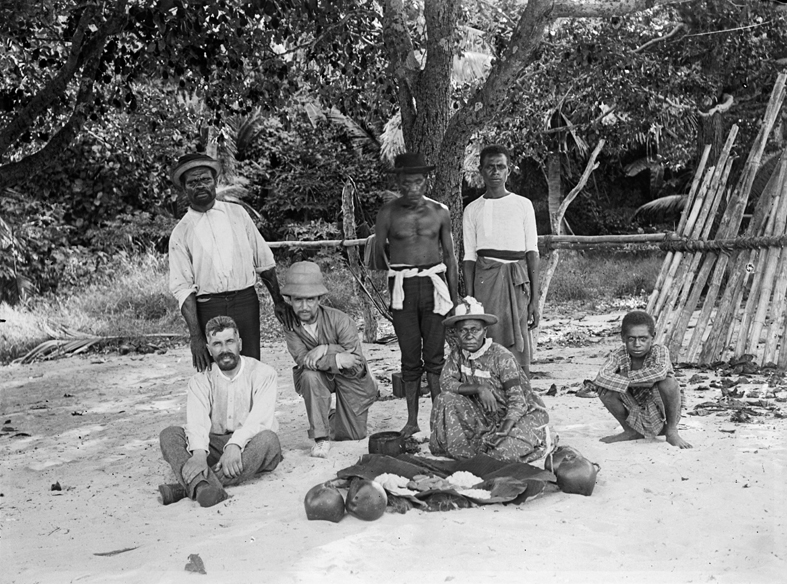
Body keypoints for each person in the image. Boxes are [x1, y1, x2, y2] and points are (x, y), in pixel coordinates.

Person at [168, 153, 296, 371]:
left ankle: (250, 406)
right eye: (193, 182)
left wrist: (278, 301)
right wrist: (196, 337)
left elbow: (263, 260)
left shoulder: (238, 214)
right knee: (217, 371)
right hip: (208, 306)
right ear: (183, 188)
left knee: (250, 365)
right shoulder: (181, 232)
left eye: (205, 180)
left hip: (245, 300)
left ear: (215, 182)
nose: (200, 186)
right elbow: (183, 289)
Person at [373, 153, 459, 437]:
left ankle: (438, 419)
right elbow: (377, 257)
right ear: (398, 181)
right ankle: (412, 421)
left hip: (435, 286)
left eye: (418, 181)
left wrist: (455, 299)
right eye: (407, 182)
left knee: (435, 356)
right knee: (410, 357)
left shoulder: (440, 212)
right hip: (403, 291)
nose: (413, 188)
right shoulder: (387, 213)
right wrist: (393, 288)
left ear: (426, 180)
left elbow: (450, 255)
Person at [158, 316, 282, 507]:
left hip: (250, 445)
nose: (225, 350)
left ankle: (191, 487)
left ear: (239, 343)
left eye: (229, 342)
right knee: (170, 434)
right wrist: (199, 454)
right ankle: (204, 486)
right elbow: (197, 422)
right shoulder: (201, 380)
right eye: (217, 344)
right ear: (209, 348)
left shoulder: (264, 373)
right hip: (213, 444)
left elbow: (259, 422)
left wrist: (235, 446)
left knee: (268, 440)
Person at [430, 298, 555, 463]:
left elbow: (518, 403)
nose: (469, 336)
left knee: (503, 453)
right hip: (485, 416)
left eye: (474, 330)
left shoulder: (501, 357)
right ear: (457, 334)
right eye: (463, 331)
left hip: (518, 416)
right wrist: (478, 389)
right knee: (444, 399)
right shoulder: (457, 354)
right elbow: (446, 382)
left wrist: (503, 431)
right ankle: (469, 453)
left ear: (485, 331)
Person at [282, 262, 378, 458]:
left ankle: (333, 415)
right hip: (319, 377)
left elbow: (355, 362)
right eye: (298, 300)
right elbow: (303, 360)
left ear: (319, 299)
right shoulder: (290, 326)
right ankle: (320, 437)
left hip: (350, 378)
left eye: (310, 300)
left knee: (353, 435)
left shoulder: (341, 320)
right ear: (289, 300)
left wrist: (324, 349)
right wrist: (338, 357)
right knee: (309, 375)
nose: (304, 306)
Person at [462, 144, 540, 375]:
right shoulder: (472, 209)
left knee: (518, 335)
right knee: (489, 335)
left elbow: (532, 252)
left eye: (500, 167)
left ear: (508, 170)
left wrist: (534, 299)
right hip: (486, 281)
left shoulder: (523, 205)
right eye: (490, 167)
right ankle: (491, 394)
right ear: (481, 171)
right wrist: (469, 300)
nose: (495, 172)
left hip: (517, 281)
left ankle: (520, 395)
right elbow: (469, 257)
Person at [593, 310, 692, 449]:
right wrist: (642, 381)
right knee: (604, 390)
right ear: (623, 338)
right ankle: (630, 431)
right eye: (631, 339)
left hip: (662, 415)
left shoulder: (660, 351)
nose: (637, 344)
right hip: (635, 412)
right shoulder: (619, 355)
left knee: (669, 382)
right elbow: (602, 376)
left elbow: (659, 372)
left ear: (653, 337)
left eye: (643, 339)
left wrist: (621, 378)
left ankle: (671, 432)